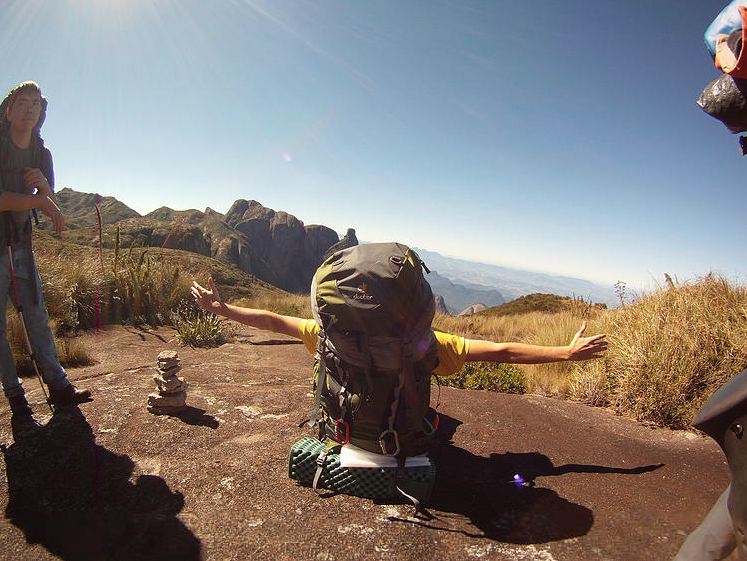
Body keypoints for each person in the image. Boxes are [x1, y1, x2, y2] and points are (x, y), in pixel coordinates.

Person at [191, 276, 607, 381]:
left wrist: (223, 309)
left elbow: (273, 320)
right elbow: (502, 351)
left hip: (344, 432)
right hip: (397, 437)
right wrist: (565, 354)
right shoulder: (430, 344)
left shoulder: (330, 337)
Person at [0, 81, 91, 419]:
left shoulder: (41, 154)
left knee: (37, 318)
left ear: (41, 113)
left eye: (35, 104)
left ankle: (58, 386)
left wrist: (44, 185)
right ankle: (15, 398)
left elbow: (48, 201)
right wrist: (39, 198)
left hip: (22, 247)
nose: (29, 109)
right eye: (22, 103)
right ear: (8, 111)